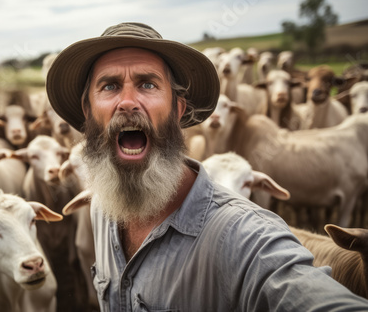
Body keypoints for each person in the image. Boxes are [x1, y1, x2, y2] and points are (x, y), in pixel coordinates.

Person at [46, 22, 368, 311]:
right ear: (88, 113)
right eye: (110, 86)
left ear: (177, 111)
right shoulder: (101, 208)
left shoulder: (243, 238)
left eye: (147, 84)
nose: (128, 101)